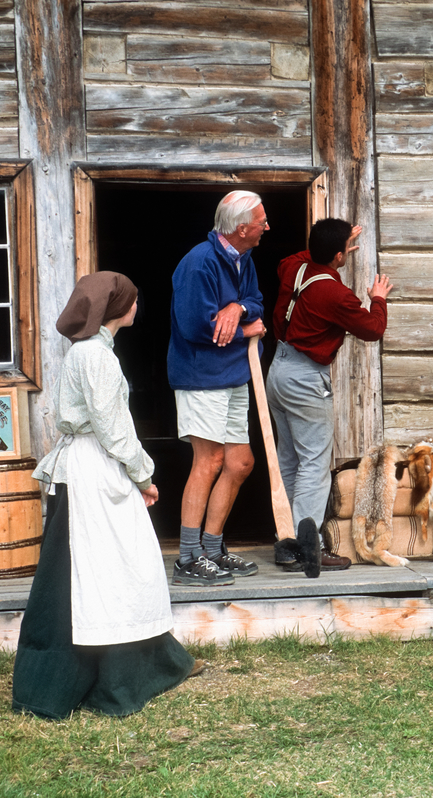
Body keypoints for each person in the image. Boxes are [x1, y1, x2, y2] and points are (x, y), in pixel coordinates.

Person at [13, 272, 198, 719]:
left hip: (93, 468)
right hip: (95, 471)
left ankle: (132, 670)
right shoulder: (96, 357)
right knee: (92, 579)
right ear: (119, 309)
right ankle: (76, 685)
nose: (137, 306)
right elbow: (113, 430)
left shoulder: (91, 353)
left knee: (115, 575)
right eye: (133, 300)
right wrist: (144, 476)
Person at [267, 218, 392, 573]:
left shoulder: (295, 268)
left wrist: (326, 247)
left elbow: (287, 260)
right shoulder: (335, 294)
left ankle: (288, 542)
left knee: (291, 459)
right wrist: (378, 300)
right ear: (340, 255)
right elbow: (372, 329)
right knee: (315, 465)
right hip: (306, 376)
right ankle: (310, 546)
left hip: (278, 368)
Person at [167, 190, 267, 586]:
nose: (266, 226)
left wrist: (238, 308)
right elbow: (195, 328)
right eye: (262, 221)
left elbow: (256, 300)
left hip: (232, 374)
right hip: (201, 377)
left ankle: (211, 548)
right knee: (207, 462)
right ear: (242, 228)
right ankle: (187, 558)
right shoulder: (199, 264)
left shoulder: (242, 258)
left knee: (240, 463)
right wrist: (247, 329)